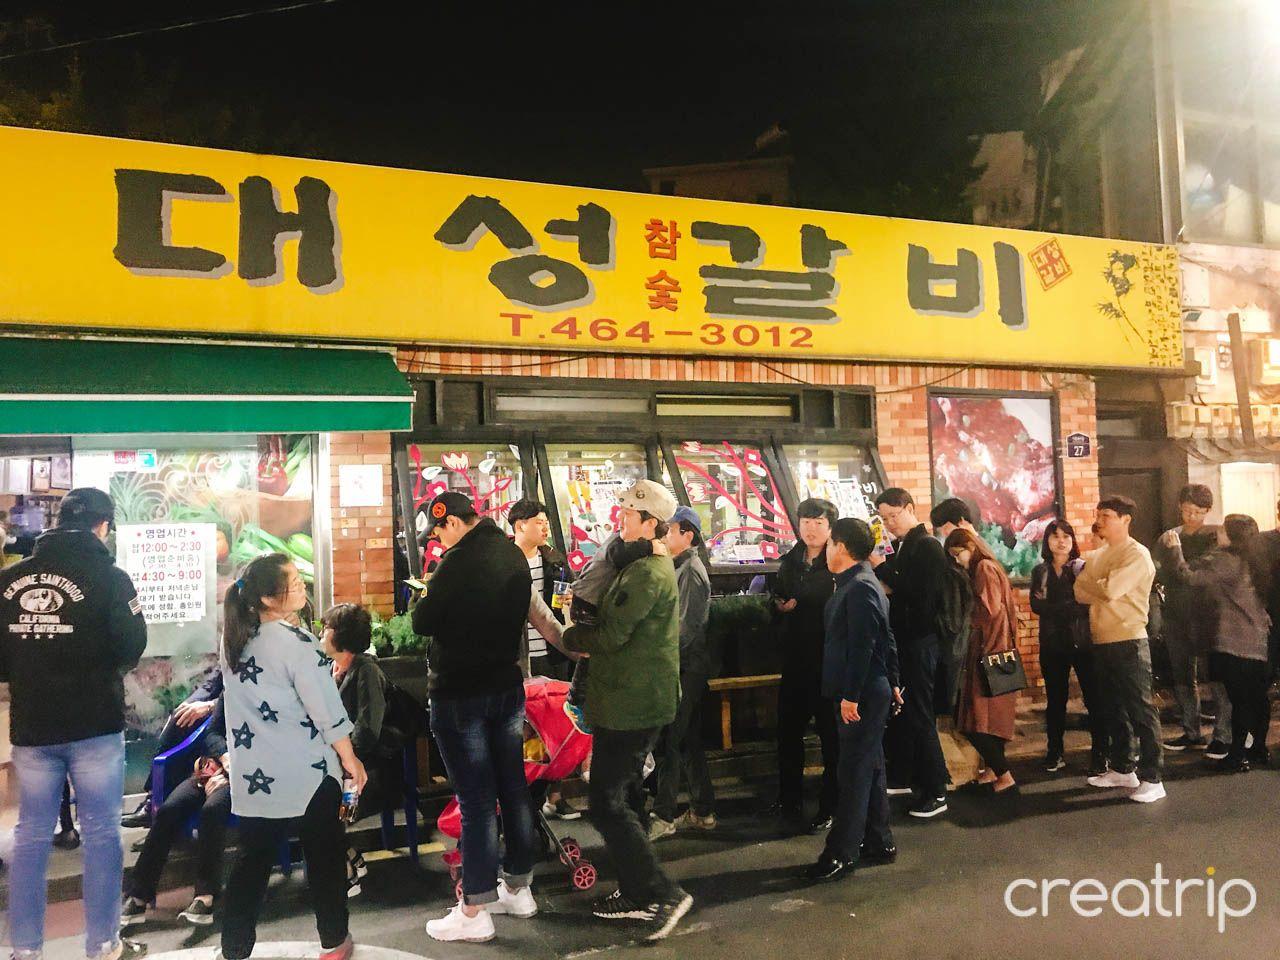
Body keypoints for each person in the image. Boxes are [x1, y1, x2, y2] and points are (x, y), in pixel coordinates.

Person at [0, 488, 148, 960]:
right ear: (103, 526)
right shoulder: (111, 579)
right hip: (95, 727)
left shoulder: (10, 582)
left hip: (33, 729)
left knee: (31, 835)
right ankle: (104, 945)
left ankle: (25, 950)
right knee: (102, 833)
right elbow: (131, 647)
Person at [561, 480, 692, 941]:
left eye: (628, 516)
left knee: (606, 802)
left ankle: (662, 893)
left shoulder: (647, 574)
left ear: (650, 524)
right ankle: (637, 892)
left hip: (633, 704)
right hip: (628, 698)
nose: (620, 521)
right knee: (625, 799)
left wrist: (570, 636)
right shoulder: (640, 564)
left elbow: (610, 636)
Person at [219, 553, 367, 960]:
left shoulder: (233, 640)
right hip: (310, 772)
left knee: (251, 866)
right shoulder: (297, 644)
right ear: (268, 599)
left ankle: (233, 949)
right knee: (324, 859)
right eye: (293, 580)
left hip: (255, 777)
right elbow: (325, 709)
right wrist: (351, 760)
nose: (302, 584)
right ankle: (334, 943)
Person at [412, 491, 538, 943]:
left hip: (461, 696)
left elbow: (422, 621)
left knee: (477, 801)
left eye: (438, 531)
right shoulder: (513, 555)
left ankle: (474, 909)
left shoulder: (456, 563)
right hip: (506, 688)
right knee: (514, 788)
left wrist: (427, 590)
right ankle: (519, 888)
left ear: (449, 524)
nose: (438, 540)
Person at [807, 518, 900, 883]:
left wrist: (850, 696)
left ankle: (841, 852)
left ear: (841, 547)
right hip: (870, 689)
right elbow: (886, 639)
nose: (826, 549)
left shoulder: (859, 587)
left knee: (854, 773)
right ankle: (880, 840)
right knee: (871, 765)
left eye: (830, 543)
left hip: (859, 693)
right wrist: (893, 682)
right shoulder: (861, 582)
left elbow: (864, 646)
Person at [1160, 515, 1272, 772]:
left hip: (1233, 640)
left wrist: (1175, 549)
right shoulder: (1257, 560)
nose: (1217, 533)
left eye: (1222, 529)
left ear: (1232, 536)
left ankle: (1237, 754)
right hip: (1257, 638)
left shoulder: (1225, 561)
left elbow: (1187, 576)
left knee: (1239, 698)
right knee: (1256, 697)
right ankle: (1258, 749)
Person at [1074, 496, 1165, 803]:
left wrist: (1090, 579)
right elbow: (1078, 593)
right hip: (1101, 639)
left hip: (1129, 639)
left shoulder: (1137, 555)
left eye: (1108, 515)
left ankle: (1153, 777)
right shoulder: (1099, 554)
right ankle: (1124, 768)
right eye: (1099, 514)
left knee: (1141, 709)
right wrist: (1093, 581)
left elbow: (1109, 590)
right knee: (1112, 709)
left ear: (1126, 519)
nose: (1101, 520)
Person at [872, 488, 950, 819]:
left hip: (921, 642)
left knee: (920, 713)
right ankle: (906, 776)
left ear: (910, 509)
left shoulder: (927, 546)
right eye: (884, 518)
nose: (890, 524)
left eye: (894, 515)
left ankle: (936, 790)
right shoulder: (905, 546)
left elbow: (920, 594)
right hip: (906, 641)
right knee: (904, 711)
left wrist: (883, 569)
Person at [121, 696, 229, 927]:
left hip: (253, 772)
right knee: (170, 809)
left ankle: (205, 896)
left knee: (213, 809)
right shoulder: (233, 684)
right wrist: (224, 759)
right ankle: (140, 893)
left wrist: (234, 770)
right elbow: (212, 734)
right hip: (214, 766)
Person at [767, 497, 839, 833]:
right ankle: (788, 798)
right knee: (788, 733)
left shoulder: (838, 561)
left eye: (818, 523)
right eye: (805, 522)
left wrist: (803, 603)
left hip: (826, 660)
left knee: (831, 738)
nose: (810, 529)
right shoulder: (790, 560)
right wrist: (780, 606)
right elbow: (778, 595)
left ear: (830, 527)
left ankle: (831, 805)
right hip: (795, 659)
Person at [507, 499, 578, 821]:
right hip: (519, 659)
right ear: (519, 525)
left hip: (553, 653)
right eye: (539, 521)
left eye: (546, 521)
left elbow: (564, 605)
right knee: (527, 732)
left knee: (558, 728)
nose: (545, 527)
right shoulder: (504, 561)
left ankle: (555, 795)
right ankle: (528, 799)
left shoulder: (555, 562)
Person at [650, 506, 716, 840]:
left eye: (669, 530)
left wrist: (660, 656)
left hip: (684, 666)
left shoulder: (691, 570)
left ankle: (662, 815)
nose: (663, 535)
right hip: (683, 665)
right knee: (687, 740)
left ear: (687, 534)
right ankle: (703, 810)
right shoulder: (678, 566)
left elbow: (686, 628)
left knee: (669, 739)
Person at [1151, 484, 1228, 756]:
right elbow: (1157, 573)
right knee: (1183, 676)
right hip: (1176, 614)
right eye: (1186, 510)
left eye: (1196, 511)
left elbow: (1198, 574)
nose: (1190, 516)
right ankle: (1191, 731)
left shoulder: (1215, 537)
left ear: (1207, 511)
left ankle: (1222, 734)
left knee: (1215, 675)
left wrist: (1177, 554)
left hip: (1207, 616)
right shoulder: (1168, 537)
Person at [321, 603, 390, 896]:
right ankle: (350, 855)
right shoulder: (329, 669)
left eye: (326, 629)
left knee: (329, 808)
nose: (320, 634)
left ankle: (347, 870)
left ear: (342, 638)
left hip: (365, 771)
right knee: (314, 802)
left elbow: (368, 730)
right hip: (339, 765)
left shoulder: (367, 671)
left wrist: (343, 758)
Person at [944, 528, 1020, 794]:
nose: (957, 560)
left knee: (977, 720)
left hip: (989, 653)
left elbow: (989, 609)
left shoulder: (984, 568)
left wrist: (963, 614)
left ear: (971, 547)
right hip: (999, 653)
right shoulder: (990, 566)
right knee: (990, 720)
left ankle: (1004, 774)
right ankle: (992, 771)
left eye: (958, 553)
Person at [1030, 520, 1107, 775]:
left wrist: (1060, 608)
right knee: (1055, 700)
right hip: (1053, 644)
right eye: (1055, 536)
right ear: (1047, 541)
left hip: (1083, 641)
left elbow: (1087, 602)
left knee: (1095, 699)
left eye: (1066, 536)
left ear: (1073, 540)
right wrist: (1068, 606)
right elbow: (1037, 605)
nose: (1061, 541)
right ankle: (1055, 752)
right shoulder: (1040, 571)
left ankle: (1100, 753)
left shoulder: (1082, 568)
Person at [122, 671, 224, 828]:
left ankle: (155, 801)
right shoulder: (229, 651)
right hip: (220, 712)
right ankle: (154, 798)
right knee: (183, 715)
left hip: (236, 723)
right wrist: (191, 703)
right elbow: (213, 682)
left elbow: (245, 693)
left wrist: (211, 706)